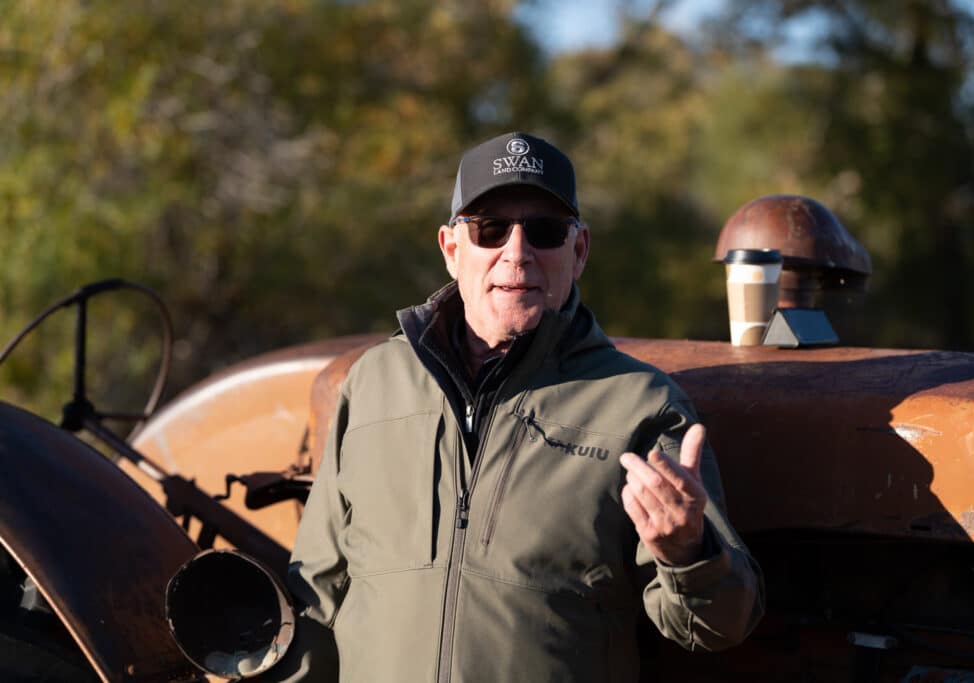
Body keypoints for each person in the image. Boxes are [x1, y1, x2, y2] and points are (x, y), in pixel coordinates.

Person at [271, 132, 764, 681]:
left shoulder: (641, 405)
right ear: (452, 250)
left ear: (578, 252)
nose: (517, 251)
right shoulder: (372, 383)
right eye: (491, 229)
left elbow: (719, 625)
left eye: (546, 232)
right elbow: (314, 595)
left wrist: (688, 554)